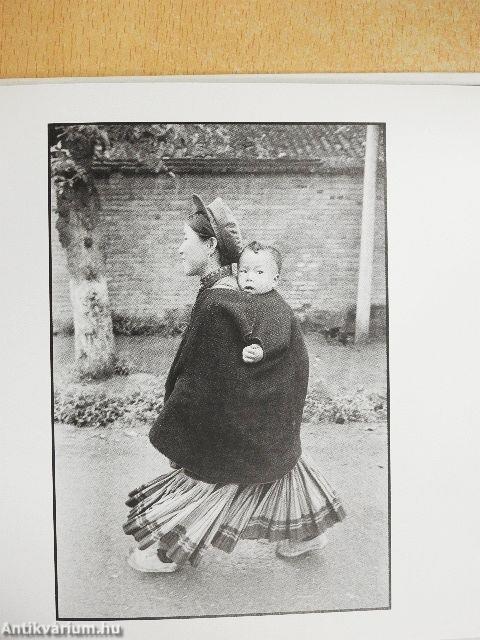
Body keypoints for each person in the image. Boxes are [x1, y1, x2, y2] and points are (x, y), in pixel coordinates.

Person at [123, 194, 346, 573]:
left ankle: (167, 552)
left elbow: (205, 382)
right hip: (266, 411)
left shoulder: (220, 302)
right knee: (275, 461)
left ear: (210, 245)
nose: (179, 249)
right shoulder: (233, 292)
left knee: (213, 474)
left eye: (185, 240)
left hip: (237, 421)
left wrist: (178, 419)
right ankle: (307, 534)